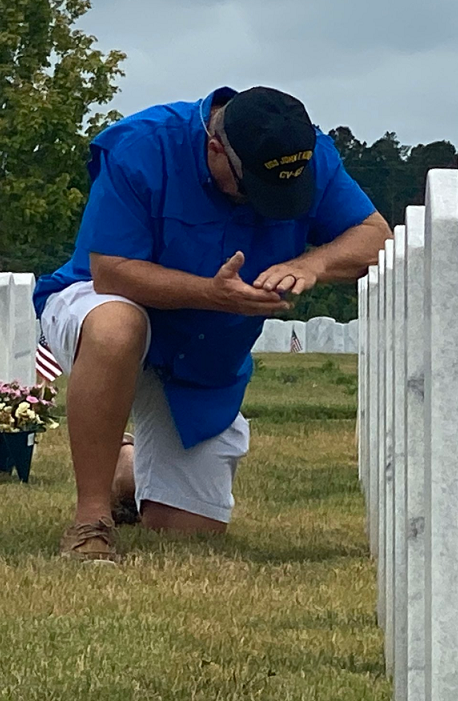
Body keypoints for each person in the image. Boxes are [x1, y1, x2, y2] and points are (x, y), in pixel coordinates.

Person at [33, 86, 390, 561]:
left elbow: (375, 235)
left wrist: (313, 265)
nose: (265, 204)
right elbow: (111, 270)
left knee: (187, 529)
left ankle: (124, 469)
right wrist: (210, 294)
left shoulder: (304, 153)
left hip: (203, 355)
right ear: (215, 150)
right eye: (254, 188)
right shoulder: (143, 146)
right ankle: (91, 521)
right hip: (99, 305)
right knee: (119, 325)